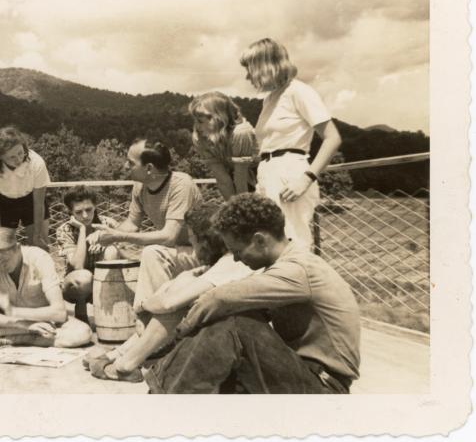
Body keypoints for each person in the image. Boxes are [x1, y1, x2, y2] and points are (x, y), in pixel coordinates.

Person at [144, 193, 361, 394]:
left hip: (325, 387)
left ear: (259, 240)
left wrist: (181, 332)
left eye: (237, 251)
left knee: (235, 323)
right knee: (226, 331)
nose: (237, 259)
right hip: (300, 372)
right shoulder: (285, 266)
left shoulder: (297, 270)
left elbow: (219, 297)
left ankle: (163, 404)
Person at [86, 203, 252, 382]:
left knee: (176, 307)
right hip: (229, 326)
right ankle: (124, 353)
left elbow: (169, 303)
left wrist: (143, 306)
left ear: (204, 240)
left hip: (240, 334)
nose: (191, 245)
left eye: (191, 239)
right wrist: (175, 284)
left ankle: (126, 364)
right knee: (181, 286)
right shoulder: (227, 260)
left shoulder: (230, 265)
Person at [239, 38, 342, 249]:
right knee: (269, 244)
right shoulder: (270, 98)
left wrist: (306, 180)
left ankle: (304, 281)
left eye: (250, 68)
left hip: (290, 173)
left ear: (265, 66)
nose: (248, 76)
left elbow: (333, 138)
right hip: (267, 173)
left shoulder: (299, 91)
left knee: (294, 242)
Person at [87, 139, 203, 310]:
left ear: (149, 168)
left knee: (152, 253)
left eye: (131, 163)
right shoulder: (139, 187)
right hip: (174, 253)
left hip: (200, 253)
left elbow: (169, 236)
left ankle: (151, 314)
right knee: (117, 252)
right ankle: (133, 315)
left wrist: (119, 236)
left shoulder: (181, 184)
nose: (126, 166)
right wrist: (105, 235)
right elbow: (132, 223)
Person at [0, 126, 50, 250]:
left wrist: (37, 236)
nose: (19, 159)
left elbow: (39, 203)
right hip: (4, 202)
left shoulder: (37, 162)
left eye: (20, 152)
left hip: (31, 200)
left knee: (39, 245)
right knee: (4, 248)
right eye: (12, 157)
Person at [56, 186, 120, 324]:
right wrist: (82, 230)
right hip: (77, 285)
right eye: (79, 212)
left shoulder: (108, 224)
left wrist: (108, 243)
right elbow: (77, 265)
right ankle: (81, 316)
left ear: (95, 206)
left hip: (107, 281)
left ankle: (110, 314)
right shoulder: (64, 230)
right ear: (71, 213)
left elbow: (127, 258)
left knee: (112, 251)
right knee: (84, 277)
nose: (85, 216)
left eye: (89, 210)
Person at [189, 91, 258, 199]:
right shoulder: (200, 138)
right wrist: (231, 207)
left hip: (258, 177)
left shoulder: (241, 132)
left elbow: (241, 178)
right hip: (234, 176)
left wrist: (242, 209)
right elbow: (222, 179)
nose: (197, 126)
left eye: (201, 121)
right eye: (195, 121)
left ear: (219, 119)